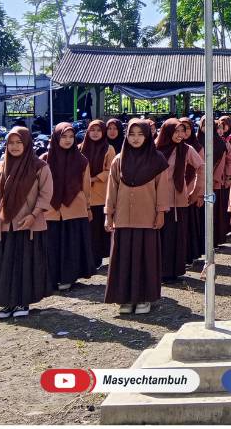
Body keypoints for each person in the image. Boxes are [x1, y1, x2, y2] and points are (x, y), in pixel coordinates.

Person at [0, 126, 54, 319]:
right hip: (3, 225)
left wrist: (33, 215)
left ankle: (23, 301)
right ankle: (7, 303)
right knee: (4, 264)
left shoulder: (39, 167)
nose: (14, 147)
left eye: (18, 142)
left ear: (27, 143)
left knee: (25, 263)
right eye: (10, 143)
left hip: (27, 224)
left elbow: (46, 194)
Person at [104, 119, 171, 315]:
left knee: (145, 258)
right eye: (132, 134)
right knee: (123, 258)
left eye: (140, 134)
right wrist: (109, 214)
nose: (135, 138)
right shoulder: (119, 160)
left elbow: (162, 189)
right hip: (123, 218)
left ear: (148, 136)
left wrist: (160, 213)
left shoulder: (157, 160)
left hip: (147, 218)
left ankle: (143, 297)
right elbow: (112, 189)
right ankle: (124, 298)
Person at [42, 122, 96, 292]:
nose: (67, 140)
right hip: (51, 209)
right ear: (56, 137)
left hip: (74, 208)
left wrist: (87, 208)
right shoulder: (45, 159)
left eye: (71, 137)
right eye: (64, 136)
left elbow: (86, 187)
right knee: (52, 244)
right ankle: (50, 277)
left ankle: (68, 277)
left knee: (70, 245)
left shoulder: (81, 160)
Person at [155, 118, 203, 282]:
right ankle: (158, 271)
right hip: (156, 201)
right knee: (159, 237)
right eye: (176, 131)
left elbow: (201, 167)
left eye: (182, 131)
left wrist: (196, 191)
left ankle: (173, 271)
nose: (180, 135)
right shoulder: (155, 149)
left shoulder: (186, 149)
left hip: (178, 201)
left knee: (175, 237)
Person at [80, 119, 116, 263]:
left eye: (98, 130)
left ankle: (97, 257)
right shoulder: (80, 148)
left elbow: (110, 171)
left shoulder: (109, 149)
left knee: (97, 230)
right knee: (87, 230)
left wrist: (93, 179)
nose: (95, 133)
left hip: (100, 195)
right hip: (83, 195)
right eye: (92, 130)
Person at [179, 117, 206, 264]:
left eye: (187, 129)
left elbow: (201, 169)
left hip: (192, 191)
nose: (184, 132)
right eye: (180, 129)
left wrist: (199, 193)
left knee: (191, 225)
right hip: (177, 193)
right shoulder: (171, 146)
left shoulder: (197, 147)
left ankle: (191, 254)